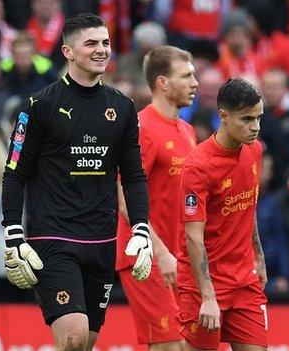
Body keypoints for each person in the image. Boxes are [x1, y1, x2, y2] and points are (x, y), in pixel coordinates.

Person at [1, 13, 152, 351]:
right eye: (91, 43)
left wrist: (141, 228)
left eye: (105, 43)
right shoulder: (39, 106)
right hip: (53, 239)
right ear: (68, 52)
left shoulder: (123, 107)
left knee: (85, 343)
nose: (101, 50)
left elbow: (133, 175)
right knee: (73, 338)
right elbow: (14, 173)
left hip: (102, 241)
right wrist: (13, 231)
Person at [116, 45, 198, 350]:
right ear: (162, 82)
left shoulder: (187, 130)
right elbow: (124, 197)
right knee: (169, 344)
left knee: (191, 343)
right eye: (186, 76)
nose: (195, 83)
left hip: (180, 257)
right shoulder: (142, 129)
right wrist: (160, 252)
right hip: (146, 254)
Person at [178, 78, 268, 351]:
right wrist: (208, 297)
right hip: (203, 285)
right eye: (247, 119)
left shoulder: (255, 151)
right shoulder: (198, 166)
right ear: (224, 117)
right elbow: (193, 237)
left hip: (244, 281)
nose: (256, 127)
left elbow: (248, 205)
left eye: (259, 118)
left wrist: (259, 257)